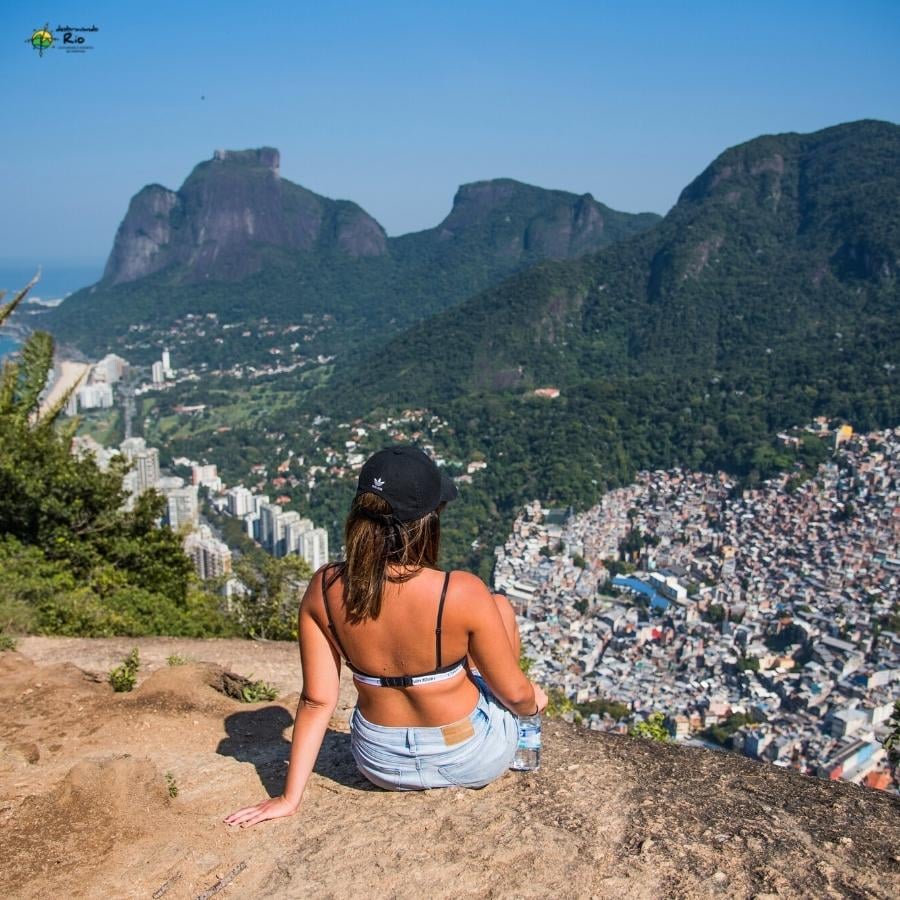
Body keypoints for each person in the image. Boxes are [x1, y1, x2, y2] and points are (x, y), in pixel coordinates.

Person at [224, 445, 548, 828]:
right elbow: (515, 694)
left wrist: (288, 798)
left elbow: (316, 700)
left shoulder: (325, 588)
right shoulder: (459, 591)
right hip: (467, 755)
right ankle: (523, 735)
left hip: (379, 762)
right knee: (501, 608)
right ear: (429, 521)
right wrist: (532, 705)